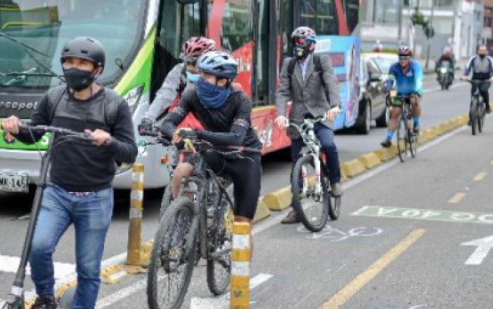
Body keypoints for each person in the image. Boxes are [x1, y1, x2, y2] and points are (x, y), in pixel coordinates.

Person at [1, 37, 137, 309]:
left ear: (97, 70)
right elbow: (34, 130)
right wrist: (14, 128)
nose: (73, 69)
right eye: (69, 62)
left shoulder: (114, 105)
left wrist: (110, 142)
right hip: (57, 191)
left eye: (82, 64)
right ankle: (46, 298)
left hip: (95, 197)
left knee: (88, 270)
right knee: (39, 246)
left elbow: (130, 150)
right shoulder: (54, 98)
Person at [159, 51, 262, 221]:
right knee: (180, 172)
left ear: (223, 80)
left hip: (245, 157)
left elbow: (235, 137)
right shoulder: (192, 94)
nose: (200, 79)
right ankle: (183, 218)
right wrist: (175, 134)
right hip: (214, 151)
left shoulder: (240, 100)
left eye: (206, 76)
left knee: (242, 226)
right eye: (200, 74)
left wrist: (198, 134)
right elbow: (167, 123)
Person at [274, 27, 343, 224]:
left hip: (321, 115)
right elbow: (282, 92)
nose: (298, 46)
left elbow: (331, 84)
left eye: (301, 42)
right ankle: (296, 208)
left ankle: (335, 181)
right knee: (296, 161)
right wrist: (280, 115)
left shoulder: (322, 61)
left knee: (328, 145)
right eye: (295, 42)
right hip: (297, 118)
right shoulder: (288, 64)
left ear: (311, 45)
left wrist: (335, 106)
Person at [139, 36, 216, 133]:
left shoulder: (218, 76)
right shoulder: (180, 71)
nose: (189, 66)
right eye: (187, 61)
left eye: (193, 62)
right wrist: (148, 119)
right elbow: (164, 95)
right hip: (184, 126)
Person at [381, 46, 424, 147]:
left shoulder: (415, 67)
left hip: (414, 92)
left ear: (410, 58)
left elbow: (418, 80)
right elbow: (390, 81)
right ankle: (388, 139)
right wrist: (387, 90)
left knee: (414, 101)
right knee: (395, 114)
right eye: (401, 57)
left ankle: (416, 124)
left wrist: (417, 92)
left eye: (405, 57)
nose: (403, 60)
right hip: (400, 94)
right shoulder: (394, 67)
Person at [463, 45, 493, 116]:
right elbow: (467, 67)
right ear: (478, 51)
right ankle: (471, 118)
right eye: (481, 50)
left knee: (484, 90)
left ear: (486, 51)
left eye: (484, 51)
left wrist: (492, 77)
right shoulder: (473, 58)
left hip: (486, 80)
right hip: (475, 79)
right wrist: (465, 75)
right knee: (473, 98)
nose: (482, 52)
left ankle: (487, 106)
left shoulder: (489, 59)